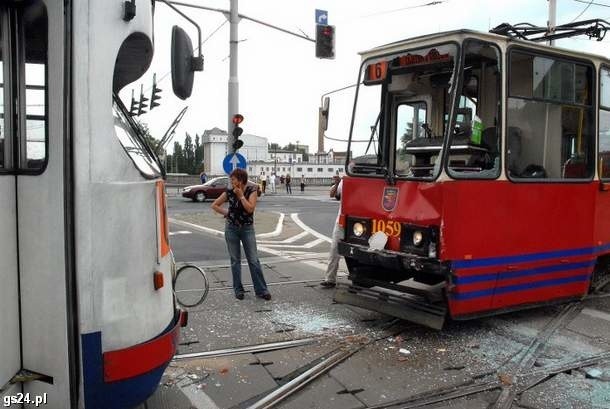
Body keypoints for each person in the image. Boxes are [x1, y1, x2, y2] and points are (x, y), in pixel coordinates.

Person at [211, 168, 272, 301]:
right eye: (231, 179)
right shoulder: (229, 191)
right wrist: (226, 213)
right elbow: (214, 205)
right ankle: (238, 289)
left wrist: (241, 196)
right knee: (235, 261)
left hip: (247, 229)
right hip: (231, 228)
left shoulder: (252, 190)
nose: (231, 182)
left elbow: (250, 208)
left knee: (253, 260)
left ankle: (261, 290)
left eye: (233, 179)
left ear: (241, 180)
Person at [321, 176, 343, 288]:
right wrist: (337, 183)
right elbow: (333, 194)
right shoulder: (345, 180)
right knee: (334, 249)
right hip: (342, 221)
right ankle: (330, 279)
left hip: (360, 221)